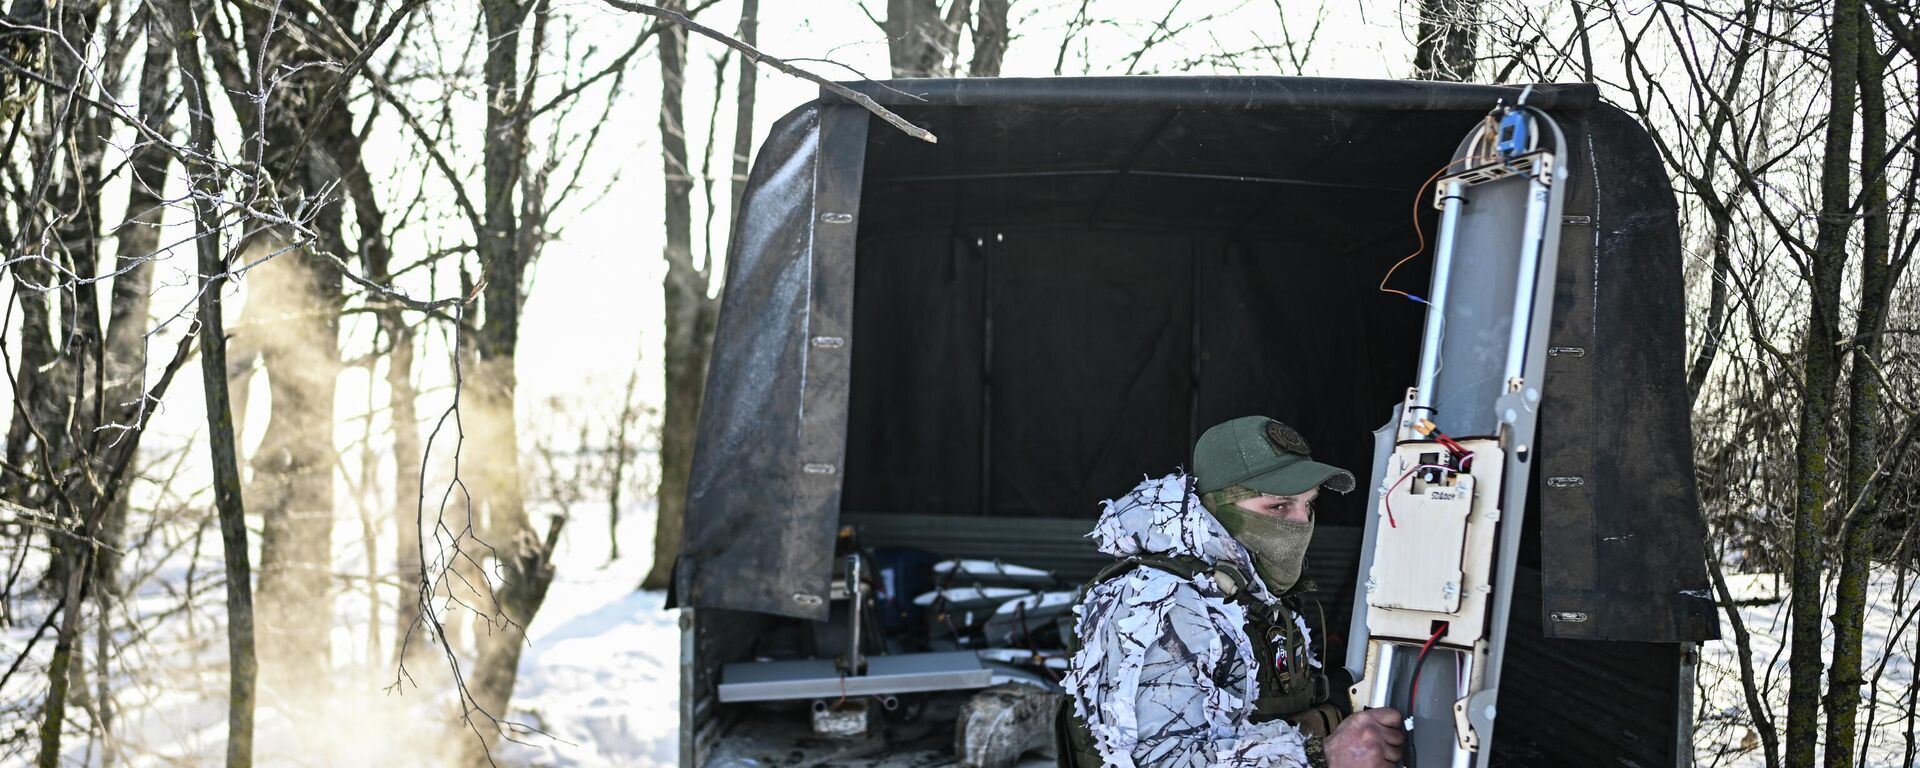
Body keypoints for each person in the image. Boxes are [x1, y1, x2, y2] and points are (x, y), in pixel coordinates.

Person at [1059, 416, 1406, 768]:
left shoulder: (1251, 594)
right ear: (1216, 509)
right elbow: (1154, 761)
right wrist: (1321, 756)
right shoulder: (1158, 604)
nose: (1302, 523)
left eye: (1309, 505)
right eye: (1278, 506)